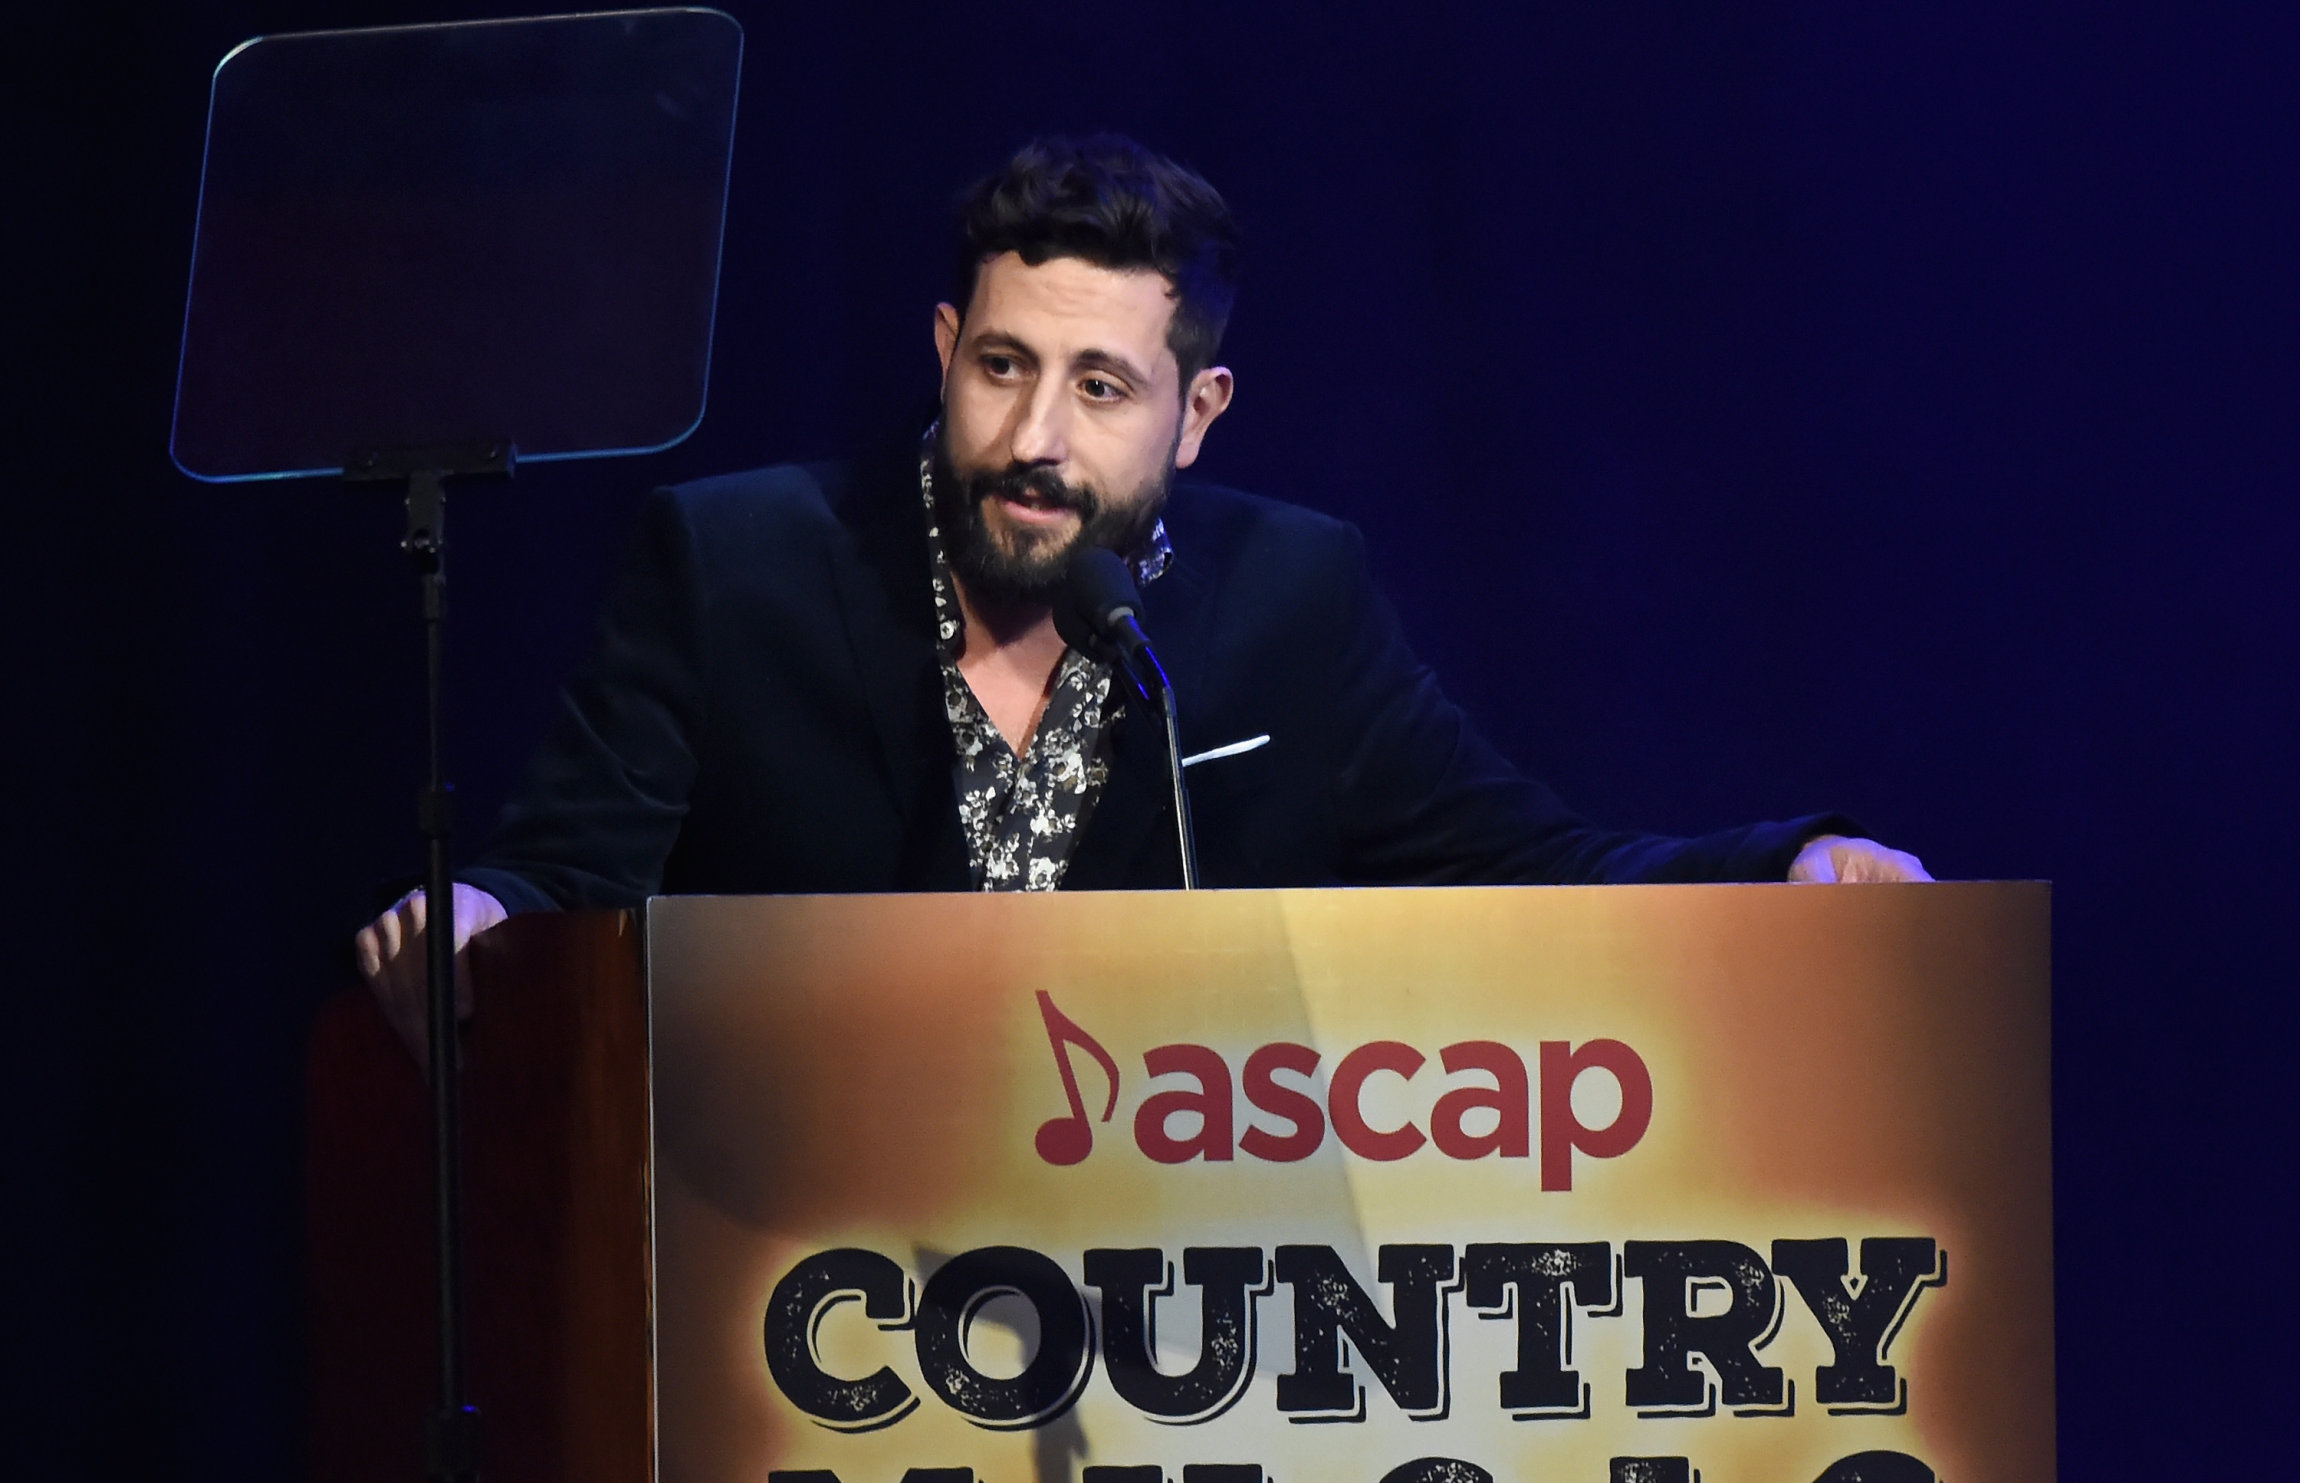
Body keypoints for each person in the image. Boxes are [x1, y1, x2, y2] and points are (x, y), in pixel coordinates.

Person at [357, 134, 1926, 1052]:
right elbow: (562, 875)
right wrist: (477, 919)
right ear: (942, 353)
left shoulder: (1293, 596)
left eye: (1101, 386)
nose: (1032, 439)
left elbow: (1528, 866)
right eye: (1000, 367)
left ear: (1199, 411)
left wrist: (1786, 864)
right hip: (798, 1293)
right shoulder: (734, 564)